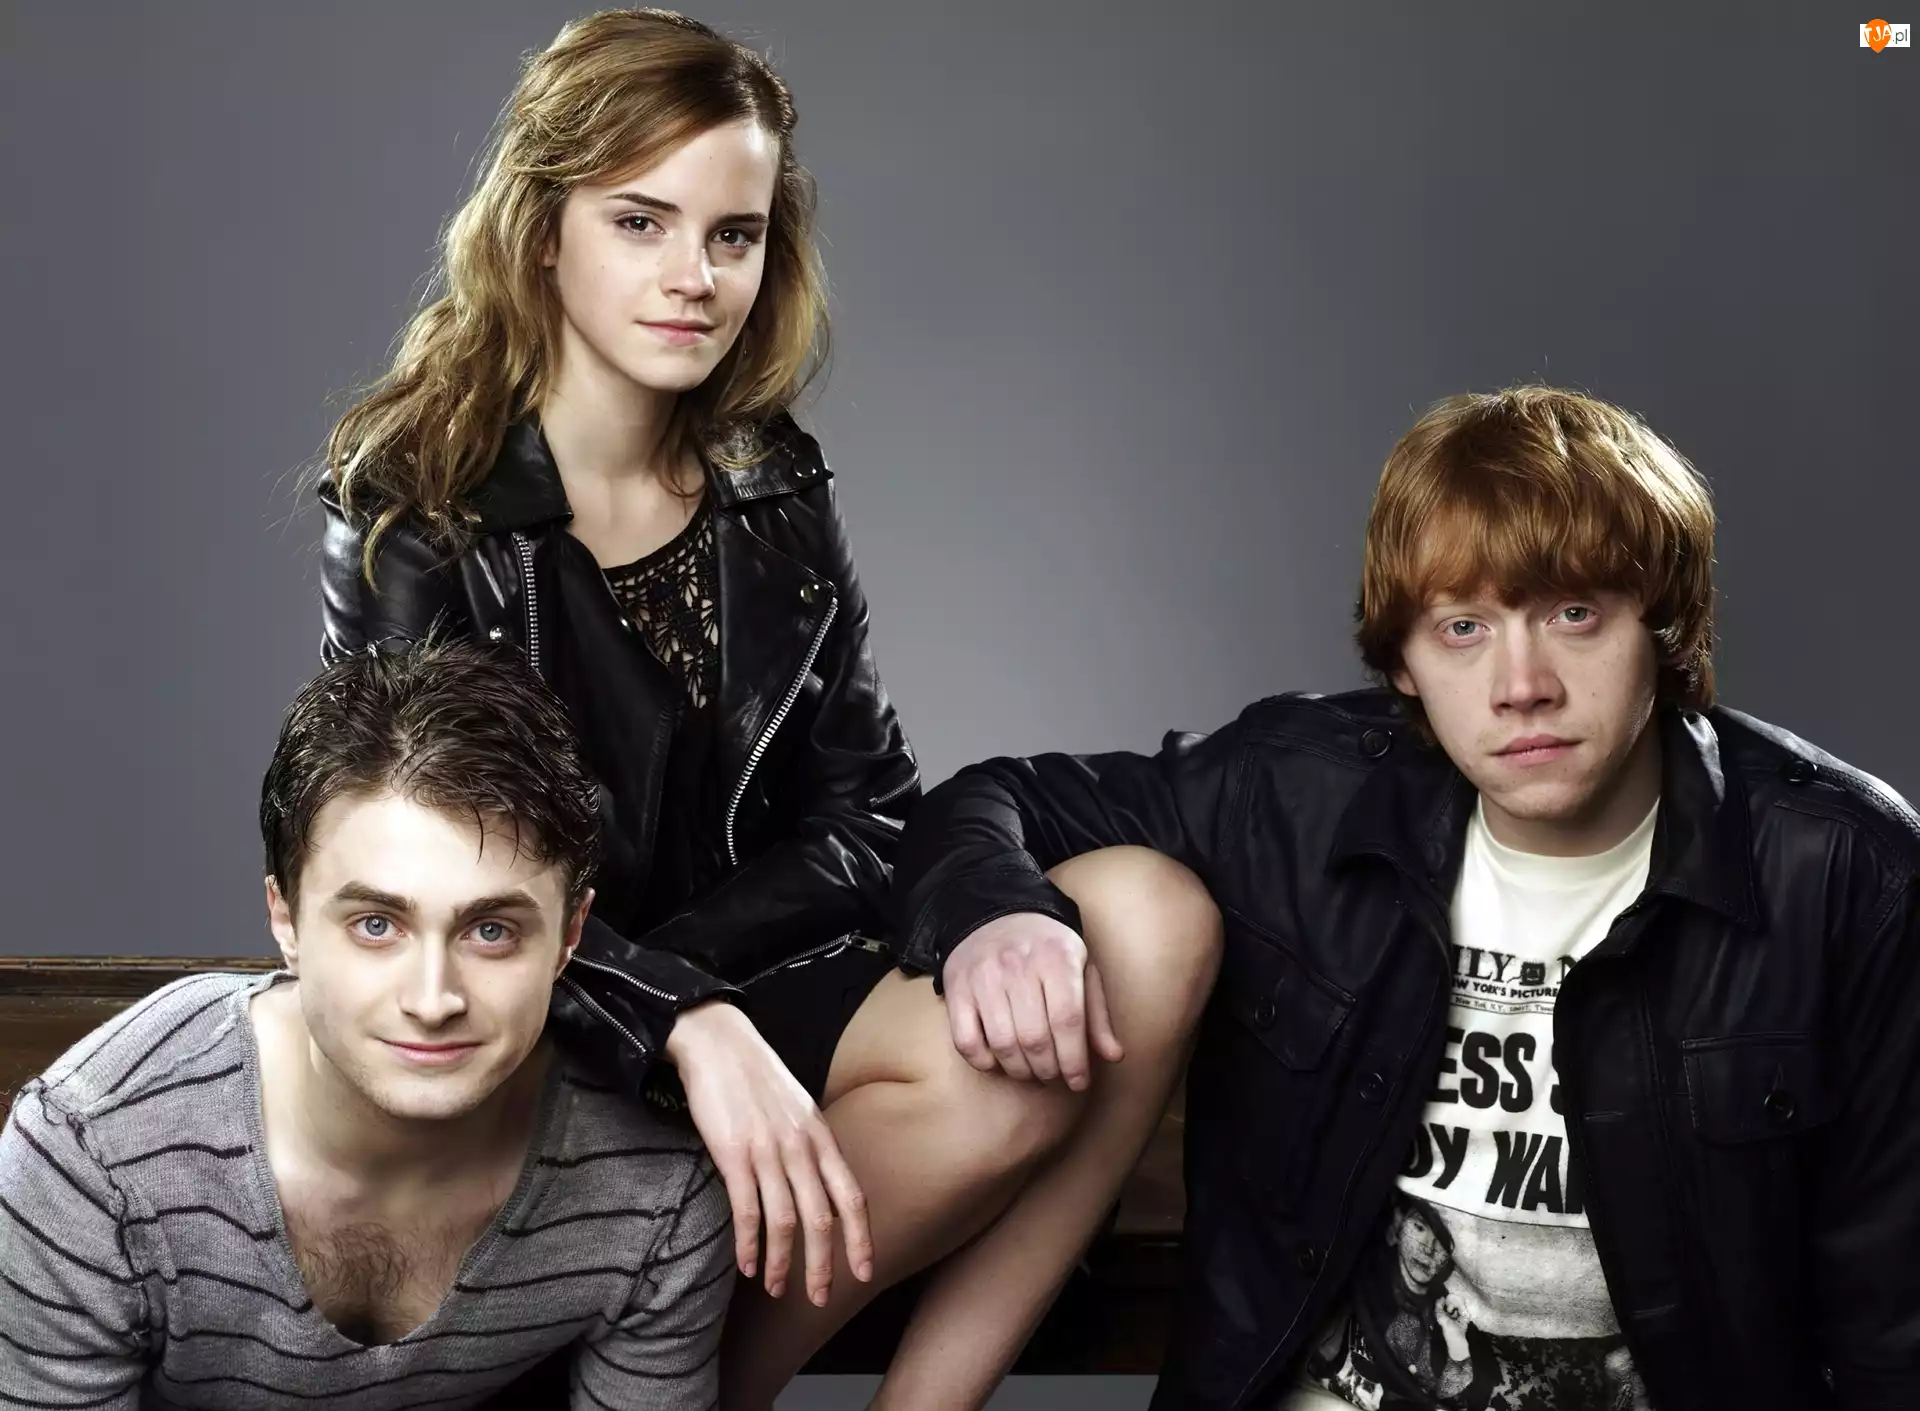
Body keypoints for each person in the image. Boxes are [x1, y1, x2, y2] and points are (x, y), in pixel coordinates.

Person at [315, 10, 1221, 1406]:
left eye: (731, 234)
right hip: (533, 1029)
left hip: (744, 990)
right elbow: (418, 875)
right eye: (641, 222)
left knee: (1118, 938)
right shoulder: (418, 508)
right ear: (542, 231)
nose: (694, 278)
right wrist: (676, 1014)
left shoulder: (768, 478)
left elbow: (867, 811)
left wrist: (743, 981)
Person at [890, 386, 1920, 1410]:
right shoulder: (1297, 794)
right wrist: (998, 915)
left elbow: (1891, 1327)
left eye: (1574, 613)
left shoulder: (1845, 872)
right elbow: (993, 800)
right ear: (1403, 665)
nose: (1522, 684)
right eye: (1464, 627)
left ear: (1665, 625)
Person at [0, 636, 733, 1408]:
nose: (432, 998)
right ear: (284, 917)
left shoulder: (658, 1181)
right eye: (376, 924)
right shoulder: (96, 1153)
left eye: (491, 930)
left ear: (571, 935)